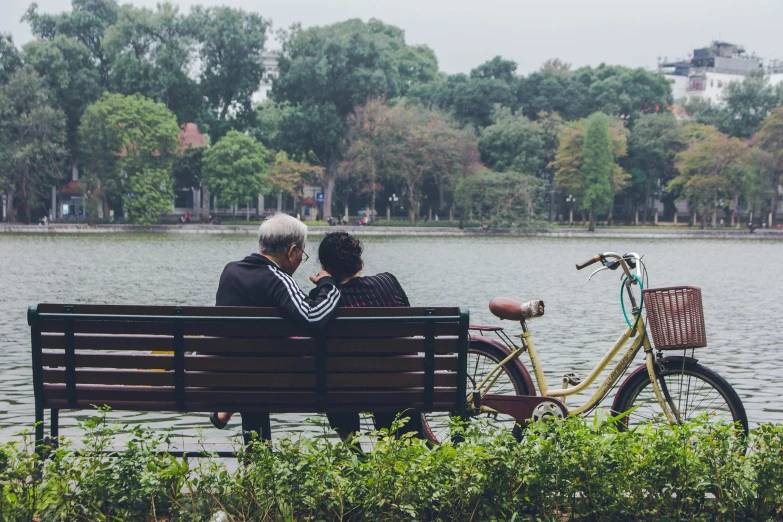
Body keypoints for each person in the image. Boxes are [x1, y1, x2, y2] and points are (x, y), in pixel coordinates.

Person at [209, 214, 342, 441]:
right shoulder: (276, 278)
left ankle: (231, 410)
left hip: (226, 373)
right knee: (258, 369)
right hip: (265, 378)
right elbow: (313, 317)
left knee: (250, 364)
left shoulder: (230, 270)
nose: (301, 260)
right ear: (291, 252)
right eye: (302, 253)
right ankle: (256, 458)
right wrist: (328, 284)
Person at [310, 231, 425, 441]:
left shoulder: (322, 298)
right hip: (401, 386)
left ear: (325, 268)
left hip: (346, 394)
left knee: (335, 381)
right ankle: (392, 447)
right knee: (389, 378)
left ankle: (356, 454)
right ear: (359, 261)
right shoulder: (388, 282)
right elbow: (409, 328)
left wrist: (324, 287)